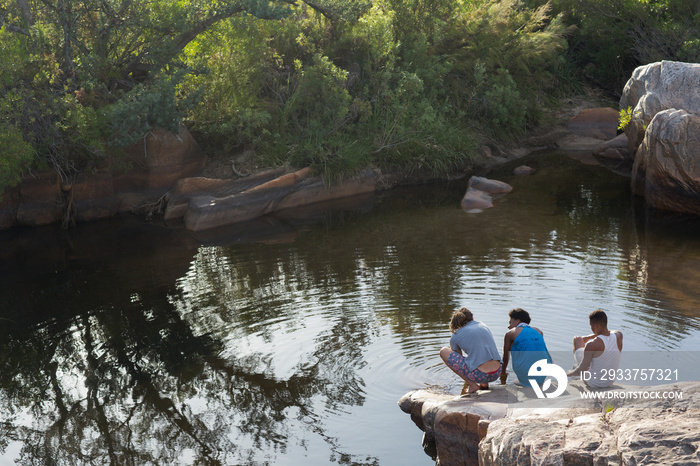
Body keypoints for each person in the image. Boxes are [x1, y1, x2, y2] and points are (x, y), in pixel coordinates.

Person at [440, 307, 502, 394]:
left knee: (444, 351)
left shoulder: (456, 335)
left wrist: (469, 381)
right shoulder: (483, 325)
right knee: (482, 352)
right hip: (497, 372)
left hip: (480, 375)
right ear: (472, 317)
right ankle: (484, 385)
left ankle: (472, 385)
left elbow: (458, 364)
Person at [566, 309, 623, 388]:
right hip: (609, 382)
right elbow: (610, 332)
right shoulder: (619, 335)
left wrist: (567, 374)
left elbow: (581, 371)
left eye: (591, 325)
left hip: (594, 383)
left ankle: (577, 366)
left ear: (596, 326)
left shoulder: (592, 345)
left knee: (577, 339)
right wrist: (593, 335)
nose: (591, 328)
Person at [500, 308, 552, 387]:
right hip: (545, 369)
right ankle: (538, 379)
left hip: (527, 371)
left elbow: (505, 357)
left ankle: (525, 380)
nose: (508, 326)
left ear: (517, 321)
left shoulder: (511, 333)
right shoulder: (538, 331)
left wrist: (503, 373)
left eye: (510, 322)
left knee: (514, 346)